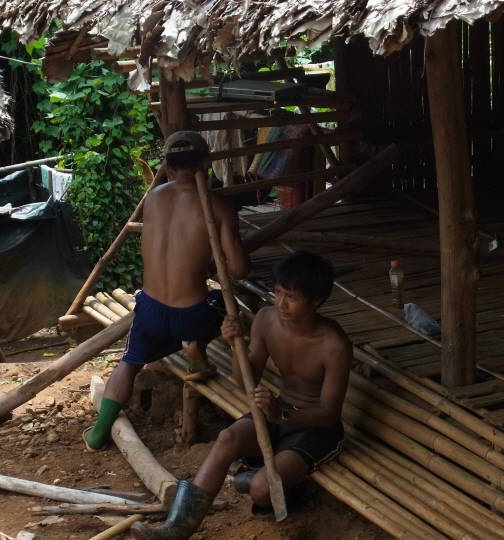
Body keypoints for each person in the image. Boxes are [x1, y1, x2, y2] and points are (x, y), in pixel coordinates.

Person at [132, 251, 352, 540]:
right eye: (278, 292)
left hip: (315, 429)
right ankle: (177, 528)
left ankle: (274, 484)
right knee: (227, 439)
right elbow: (246, 379)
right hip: (279, 411)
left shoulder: (333, 345)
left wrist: (281, 414)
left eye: (292, 298)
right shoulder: (266, 320)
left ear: (316, 301)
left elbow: (329, 414)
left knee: (262, 490)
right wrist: (236, 345)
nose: (281, 304)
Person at [83, 131, 249, 451]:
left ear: (169, 168)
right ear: (206, 163)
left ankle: (97, 434)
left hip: (151, 310)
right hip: (195, 314)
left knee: (130, 362)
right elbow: (240, 270)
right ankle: (195, 346)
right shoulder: (217, 206)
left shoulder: (153, 198)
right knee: (233, 309)